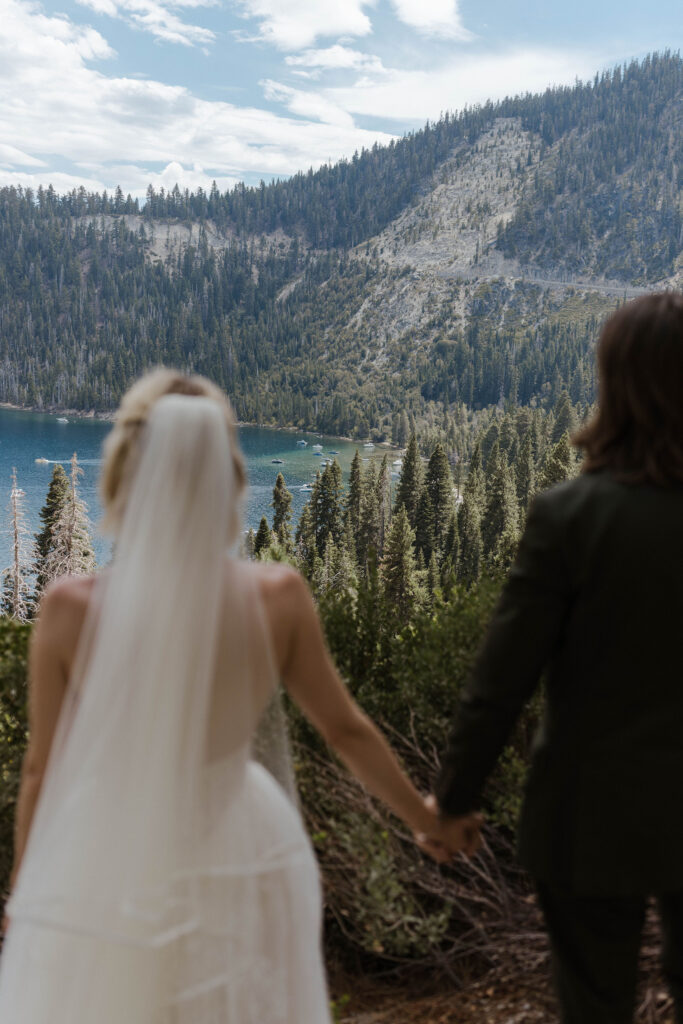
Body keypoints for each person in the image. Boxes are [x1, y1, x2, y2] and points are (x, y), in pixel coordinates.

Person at [0, 369, 479, 1024]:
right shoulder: (275, 598)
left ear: (126, 469)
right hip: (244, 850)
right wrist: (427, 820)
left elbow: (40, 769)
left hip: (107, 847)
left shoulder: (68, 609)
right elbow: (346, 731)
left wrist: (28, 890)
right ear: (225, 475)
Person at [433, 291, 683, 1023]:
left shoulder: (568, 518)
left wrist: (452, 802)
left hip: (587, 815)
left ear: (612, 384)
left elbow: (498, 684)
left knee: (593, 1007)